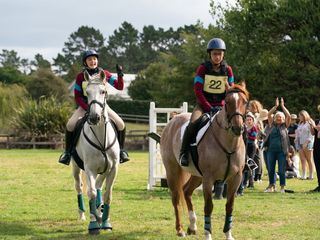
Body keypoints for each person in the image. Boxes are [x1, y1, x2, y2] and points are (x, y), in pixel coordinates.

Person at [59, 50, 130, 165]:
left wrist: (120, 75)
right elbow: (77, 97)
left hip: (103, 107)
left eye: (94, 59)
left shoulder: (105, 74)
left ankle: (121, 151)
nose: (93, 61)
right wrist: (87, 108)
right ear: (85, 62)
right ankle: (67, 153)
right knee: (70, 125)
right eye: (89, 59)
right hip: (84, 106)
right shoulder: (80, 77)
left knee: (120, 123)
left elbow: (119, 87)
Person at [179, 37, 234, 167]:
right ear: (210, 54)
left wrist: (228, 89)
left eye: (220, 54)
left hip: (221, 106)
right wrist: (208, 107)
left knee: (238, 124)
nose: (217, 56)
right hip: (203, 105)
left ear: (223, 54)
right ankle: (184, 153)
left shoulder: (228, 70)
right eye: (215, 54)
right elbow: (198, 91)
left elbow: (231, 91)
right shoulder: (202, 69)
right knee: (193, 123)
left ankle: (246, 158)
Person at [263, 97, 291, 193]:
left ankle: (282, 187)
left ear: (283, 119)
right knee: (270, 169)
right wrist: (275, 106)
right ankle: (271, 186)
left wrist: (282, 106)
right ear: (275, 118)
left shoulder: (285, 126)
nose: (279, 118)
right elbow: (269, 114)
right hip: (271, 151)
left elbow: (289, 116)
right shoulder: (271, 125)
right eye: (277, 117)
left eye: (281, 117)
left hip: (282, 152)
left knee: (281, 170)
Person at [295, 110, 315, 180]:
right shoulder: (300, 123)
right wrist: (296, 138)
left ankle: (311, 175)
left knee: (309, 159)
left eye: (300, 116)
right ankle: (303, 175)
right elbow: (298, 132)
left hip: (308, 143)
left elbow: (312, 134)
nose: (299, 117)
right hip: (300, 143)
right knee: (302, 160)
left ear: (304, 116)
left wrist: (306, 142)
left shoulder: (309, 123)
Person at [310, 105, 320, 192]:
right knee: (318, 165)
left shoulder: (316, 123)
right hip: (316, 146)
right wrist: (311, 126)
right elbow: (313, 133)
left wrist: (314, 125)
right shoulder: (317, 121)